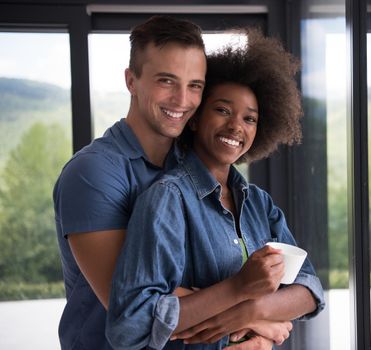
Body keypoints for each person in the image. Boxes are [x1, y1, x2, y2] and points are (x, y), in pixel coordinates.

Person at [106, 29, 325, 350]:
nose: (236, 126)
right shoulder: (167, 199)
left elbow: (309, 288)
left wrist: (250, 311)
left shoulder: (258, 204)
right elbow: (129, 324)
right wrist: (238, 288)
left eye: (250, 119)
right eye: (222, 110)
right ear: (194, 119)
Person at [53, 15, 207, 349]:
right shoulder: (92, 174)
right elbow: (137, 307)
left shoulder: (193, 165)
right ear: (131, 81)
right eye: (167, 81)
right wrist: (252, 306)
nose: (183, 100)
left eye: (195, 85)